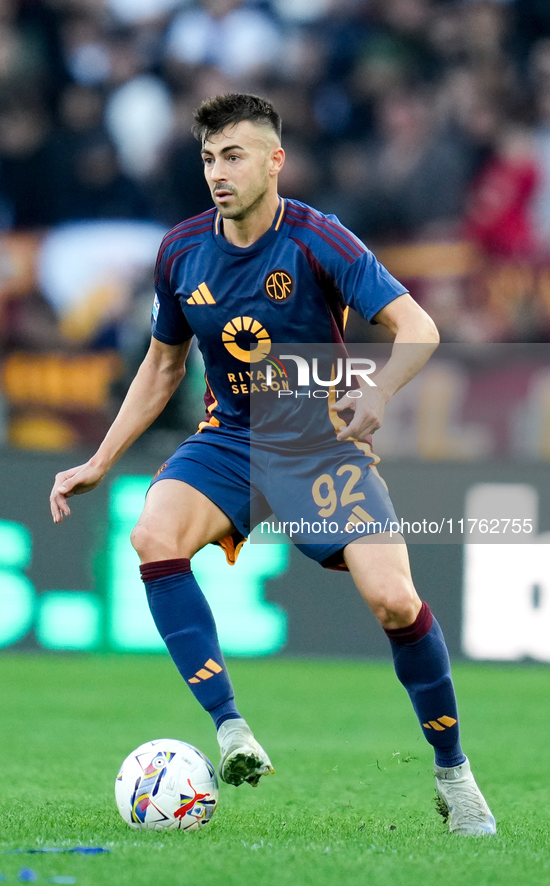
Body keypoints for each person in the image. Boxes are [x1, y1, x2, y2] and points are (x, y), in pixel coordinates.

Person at [49, 93, 495, 837]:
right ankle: (230, 730)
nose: (217, 174)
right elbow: (163, 367)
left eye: (233, 156)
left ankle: (453, 773)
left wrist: (379, 391)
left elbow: (417, 327)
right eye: (207, 159)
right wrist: (100, 459)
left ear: (273, 160)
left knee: (392, 601)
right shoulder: (180, 251)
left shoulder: (320, 240)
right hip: (229, 441)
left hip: (320, 446)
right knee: (153, 534)